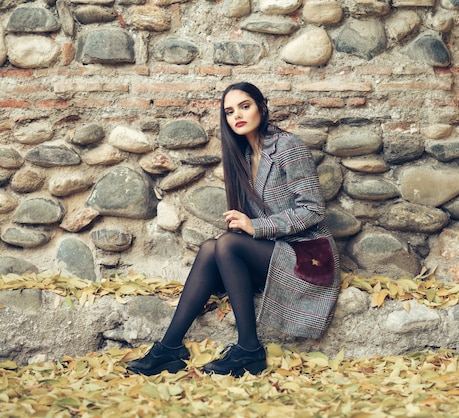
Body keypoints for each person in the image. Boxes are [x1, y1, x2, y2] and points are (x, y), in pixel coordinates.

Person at [126, 82, 341, 377]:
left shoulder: (288, 147)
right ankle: (170, 347)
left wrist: (254, 227)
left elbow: (313, 210)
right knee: (211, 247)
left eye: (244, 106)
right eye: (229, 112)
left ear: (262, 108)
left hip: (307, 255)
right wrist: (243, 231)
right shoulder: (242, 156)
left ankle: (250, 349)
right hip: (275, 251)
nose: (237, 115)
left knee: (226, 245)